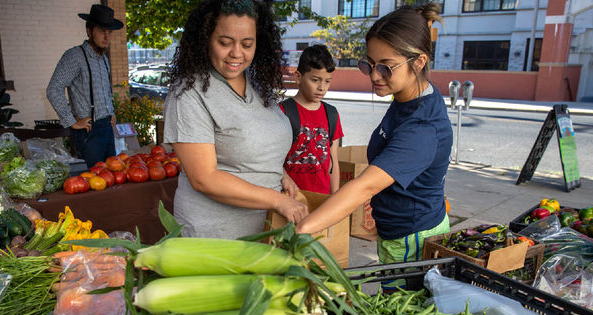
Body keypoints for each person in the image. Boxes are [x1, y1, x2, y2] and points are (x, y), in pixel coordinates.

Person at [297, 4, 452, 269]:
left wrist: (303, 229)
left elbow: (364, 187)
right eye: (369, 64)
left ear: (419, 61)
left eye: (386, 67)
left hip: (411, 240)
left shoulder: (422, 127)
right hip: (397, 231)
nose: (375, 76)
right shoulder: (410, 94)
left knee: (399, 303)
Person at [163, 0, 307, 239]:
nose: (237, 53)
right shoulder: (188, 93)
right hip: (214, 236)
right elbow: (204, 178)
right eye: (225, 43)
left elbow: (255, 141)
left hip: (265, 230)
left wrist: (280, 174)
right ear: (206, 39)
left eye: (247, 44)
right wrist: (277, 200)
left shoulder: (255, 82)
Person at [46, 4, 122, 168]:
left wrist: (111, 112)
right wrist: (71, 121)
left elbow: (106, 91)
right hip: (89, 131)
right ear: (89, 30)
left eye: (109, 32)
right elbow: (54, 89)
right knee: (94, 181)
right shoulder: (74, 57)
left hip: (107, 129)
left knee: (112, 177)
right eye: (102, 31)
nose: (106, 37)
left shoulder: (104, 60)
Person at [280, 44, 343, 195]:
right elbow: (270, 160)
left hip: (321, 201)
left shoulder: (331, 114)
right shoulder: (283, 112)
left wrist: (334, 198)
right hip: (289, 200)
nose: (322, 87)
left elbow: (333, 162)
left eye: (327, 81)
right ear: (298, 77)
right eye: (315, 80)